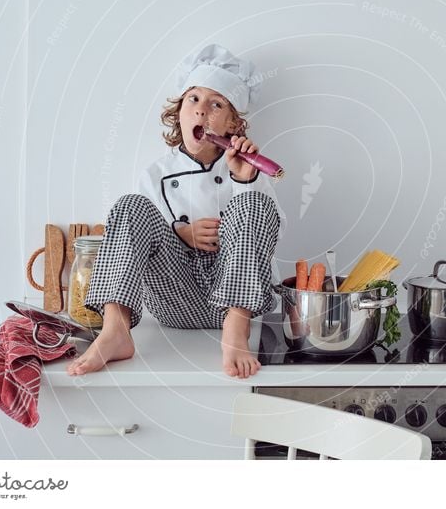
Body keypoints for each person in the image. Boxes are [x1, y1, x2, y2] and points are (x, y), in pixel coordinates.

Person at [66, 44, 284, 379]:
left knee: (254, 202)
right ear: (178, 111)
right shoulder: (155, 174)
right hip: (174, 297)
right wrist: (180, 233)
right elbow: (136, 239)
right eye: (193, 99)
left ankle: (236, 330)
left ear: (232, 124)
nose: (201, 111)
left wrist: (244, 181)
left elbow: (271, 232)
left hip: (233, 302)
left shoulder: (246, 169)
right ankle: (116, 330)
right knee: (129, 205)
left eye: (216, 104)